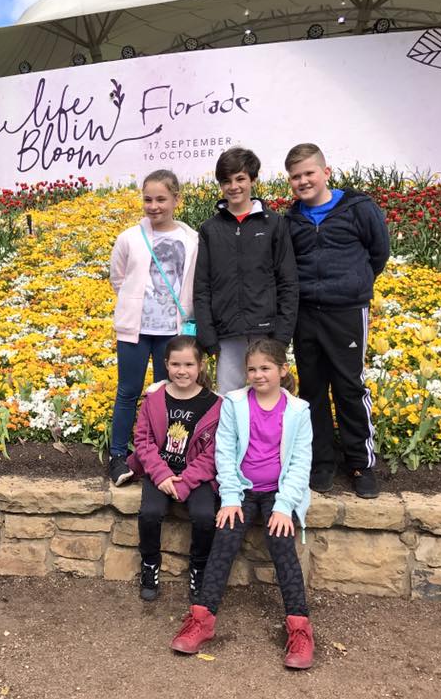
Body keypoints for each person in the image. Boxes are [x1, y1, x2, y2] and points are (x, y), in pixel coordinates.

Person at [169, 338, 314, 670]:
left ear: (282, 370)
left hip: (279, 493)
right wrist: (231, 498)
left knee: (281, 543)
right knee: (225, 538)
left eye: (265, 368)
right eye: (252, 369)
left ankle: (300, 629)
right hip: (243, 491)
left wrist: (283, 506)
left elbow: (299, 463)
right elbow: (224, 453)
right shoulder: (234, 404)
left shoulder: (298, 411)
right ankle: (201, 620)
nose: (258, 375)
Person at [283, 143, 390, 498]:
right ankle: (322, 462)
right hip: (306, 314)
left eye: (309, 173)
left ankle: (361, 463)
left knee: (349, 387)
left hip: (346, 312)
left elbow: (379, 253)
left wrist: (353, 285)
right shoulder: (291, 219)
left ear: (326, 172)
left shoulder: (358, 208)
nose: (303, 181)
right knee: (312, 390)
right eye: (296, 176)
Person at [108, 169, 199, 486]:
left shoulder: (190, 239)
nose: (154, 205)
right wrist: (136, 304)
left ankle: (162, 457)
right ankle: (118, 456)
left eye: (161, 199)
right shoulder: (129, 238)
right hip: (135, 330)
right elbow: (118, 278)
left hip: (172, 334)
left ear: (176, 199)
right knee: (128, 393)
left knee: (167, 397)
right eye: (148, 199)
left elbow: (192, 282)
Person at [194, 146, 298, 395]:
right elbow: (202, 287)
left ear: (253, 179)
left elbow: (288, 282)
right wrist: (209, 338)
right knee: (229, 401)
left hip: (266, 331)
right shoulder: (210, 229)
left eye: (240, 178)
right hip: (227, 334)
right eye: (226, 181)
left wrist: (281, 337)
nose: (234, 186)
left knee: (268, 400)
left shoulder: (274, 224)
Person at [126, 335, 221, 603]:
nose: (182, 371)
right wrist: (163, 475)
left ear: (200, 366)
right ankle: (150, 564)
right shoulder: (154, 399)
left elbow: (213, 452)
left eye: (189, 364)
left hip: (196, 476)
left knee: (204, 516)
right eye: (176, 364)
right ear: (166, 364)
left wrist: (186, 480)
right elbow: (143, 442)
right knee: (150, 513)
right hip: (160, 472)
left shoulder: (214, 405)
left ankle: (199, 568)